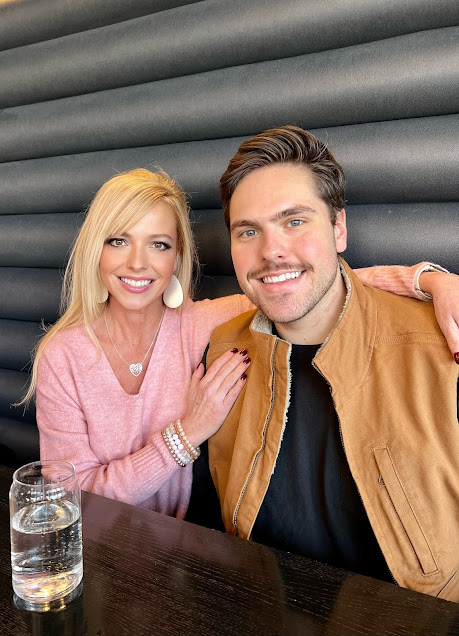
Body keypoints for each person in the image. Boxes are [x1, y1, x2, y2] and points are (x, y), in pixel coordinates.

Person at [29, 168, 455, 521]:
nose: (138, 262)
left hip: (179, 552)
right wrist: (186, 434)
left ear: (176, 259)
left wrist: (429, 280)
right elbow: (71, 499)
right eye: (118, 241)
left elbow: (312, 284)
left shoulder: (200, 323)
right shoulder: (62, 356)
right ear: (95, 250)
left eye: (158, 244)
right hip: (95, 554)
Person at [198, 126, 459, 601]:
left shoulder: (443, 349)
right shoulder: (222, 351)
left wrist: (430, 281)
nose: (271, 251)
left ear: (339, 228)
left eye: (295, 221)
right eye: (248, 231)